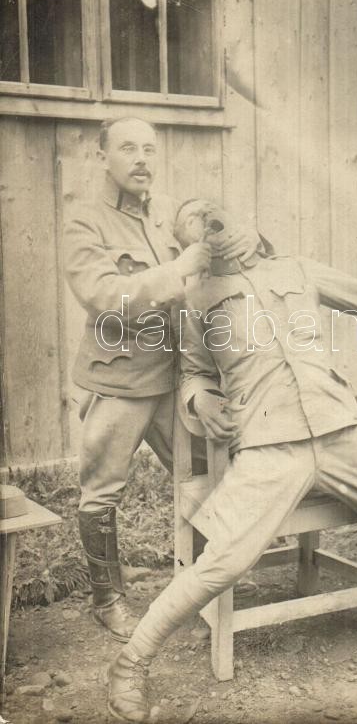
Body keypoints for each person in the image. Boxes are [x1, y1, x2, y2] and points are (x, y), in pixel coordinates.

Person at [105, 198, 357, 723]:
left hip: (342, 433)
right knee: (224, 560)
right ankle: (130, 663)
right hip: (270, 445)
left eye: (218, 212)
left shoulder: (298, 270)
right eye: (195, 220)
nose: (212, 223)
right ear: (187, 244)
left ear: (249, 222)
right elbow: (192, 372)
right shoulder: (194, 300)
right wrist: (202, 399)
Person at [63, 118, 260, 642]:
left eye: (149, 149)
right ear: (102, 156)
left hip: (177, 377)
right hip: (122, 378)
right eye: (128, 148)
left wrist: (241, 234)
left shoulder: (165, 212)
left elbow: (216, 241)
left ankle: (201, 583)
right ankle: (107, 600)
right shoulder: (85, 221)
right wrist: (179, 271)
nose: (141, 159)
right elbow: (103, 295)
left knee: (201, 475)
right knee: (102, 490)